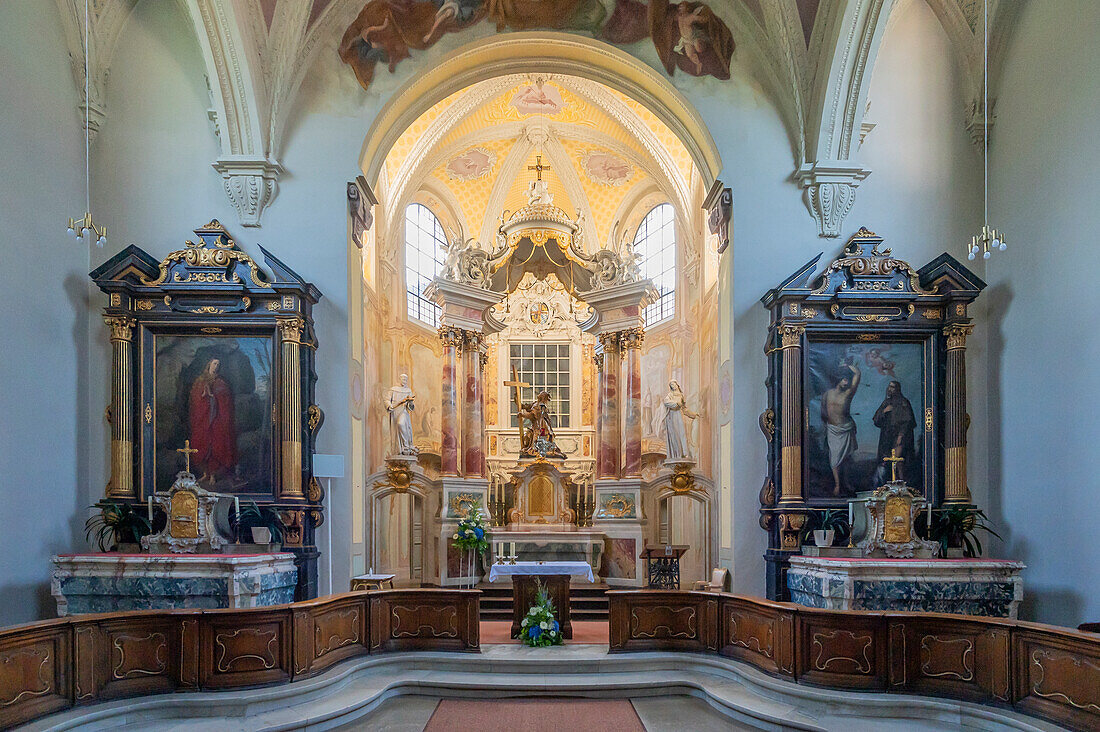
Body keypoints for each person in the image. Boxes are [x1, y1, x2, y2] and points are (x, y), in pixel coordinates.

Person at [189, 357, 236, 484]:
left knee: (216, 444)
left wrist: (213, 396)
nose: (216, 366)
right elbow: (195, 398)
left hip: (216, 419)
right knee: (202, 443)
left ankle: (213, 475)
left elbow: (225, 399)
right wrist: (204, 395)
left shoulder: (220, 382)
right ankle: (205, 473)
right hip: (203, 419)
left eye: (218, 364)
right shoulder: (200, 380)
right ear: (209, 364)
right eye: (214, 363)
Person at [821, 360, 861, 495]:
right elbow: (823, 411)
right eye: (845, 379)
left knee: (847, 458)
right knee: (834, 459)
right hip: (833, 429)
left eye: (848, 380)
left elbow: (858, 374)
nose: (847, 382)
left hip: (846, 429)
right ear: (839, 379)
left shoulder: (847, 394)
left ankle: (847, 482)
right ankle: (837, 485)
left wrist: (847, 366)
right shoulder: (827, 394)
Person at [873, 380, 917, 483]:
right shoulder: (886, 403)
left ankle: (902, 483)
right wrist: (884, 411)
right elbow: (876, 420)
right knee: (885, 461)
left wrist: (901, 436)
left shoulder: (903, 402)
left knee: (898, 460)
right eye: (889, 387)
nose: (889, 389)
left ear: (897, 389)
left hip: (900, 436)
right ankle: (884, 484)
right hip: (886, 437)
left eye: (892, 387)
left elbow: (908, 421)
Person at [657, 380, 698, 461]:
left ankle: (684, 453)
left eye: (674, 384)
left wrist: (694, 414)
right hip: (672, 417)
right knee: (674, 435)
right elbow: (666, 402)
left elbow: (684, 409)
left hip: (679, 415)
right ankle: (676, 455)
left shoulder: (681, 395)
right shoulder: (670, 395)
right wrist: (676, 404)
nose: (673, 386)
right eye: (671, 385)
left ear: (677, 384)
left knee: (682, 433)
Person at [518, 390, 565, 459]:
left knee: (540, 436)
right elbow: (526, 406)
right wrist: (517, 400)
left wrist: (522, 414)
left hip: (541, 425)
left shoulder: (540, 406)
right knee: (538, 436)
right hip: (539, 424)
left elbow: (531, 415)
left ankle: (538, 450)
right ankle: (537, 449)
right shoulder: (535, 404)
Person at [386, 374, 418, 456]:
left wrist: (410, 402)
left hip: (403, 411)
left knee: (401, 424)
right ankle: (398, 449)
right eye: (403, 379)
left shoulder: (408, 391)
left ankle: (406, 446)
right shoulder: (393, 389)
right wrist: (389, 405)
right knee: (395, 430)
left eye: (406, 379)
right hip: (395, 411)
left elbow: (411, 407)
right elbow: (387, 400)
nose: (404, 380)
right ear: (399, 379)